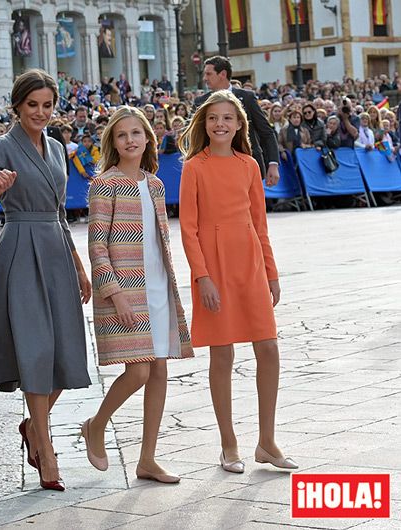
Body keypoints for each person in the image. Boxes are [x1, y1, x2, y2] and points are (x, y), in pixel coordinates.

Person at [0, 69, 92, 492]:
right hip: (19, 248)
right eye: (33, 105)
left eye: (48, 105)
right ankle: (46, 452)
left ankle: (34, 426)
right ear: (17, 106)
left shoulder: (56, 146)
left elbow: (61, 211)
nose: (41, 113)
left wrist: (79, 265)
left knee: (66, 354)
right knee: (35, 349)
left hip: (56, 248)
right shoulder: (1, 145)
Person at [178, 90, 298, 474]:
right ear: (204, 123)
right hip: (214, 266)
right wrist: (202, 277)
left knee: (269, 347)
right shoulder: (194, 167)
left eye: (228, 118)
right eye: (213, 118)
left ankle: (267, 441)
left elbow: (260, 225)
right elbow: (189, 229)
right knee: (222, 353)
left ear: (239, 124)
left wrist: (272, 272)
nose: (220, 124)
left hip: (249, 263)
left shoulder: (249, 165)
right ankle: (228, 444)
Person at [83, 106, 193, 483]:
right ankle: (96, 425)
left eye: (136, 133)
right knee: (140, 370)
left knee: (159, 368)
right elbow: (97, 246)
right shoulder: (105, 183)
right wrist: (115, 294)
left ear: (148, 138)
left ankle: (147, 459)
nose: (130, 140)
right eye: (121, 135)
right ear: (113, 142)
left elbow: (159, 239)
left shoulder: (156, 184)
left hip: (159, 285)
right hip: (125, 290)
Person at [194, 56, 280, 186]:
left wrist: (273, 164)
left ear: (223, 74)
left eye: (209, 74)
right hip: (214, 167)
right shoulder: (201, 102)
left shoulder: (247, 97)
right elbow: (196, 136)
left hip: (247, 164)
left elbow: (266, 132)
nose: (205, 78)